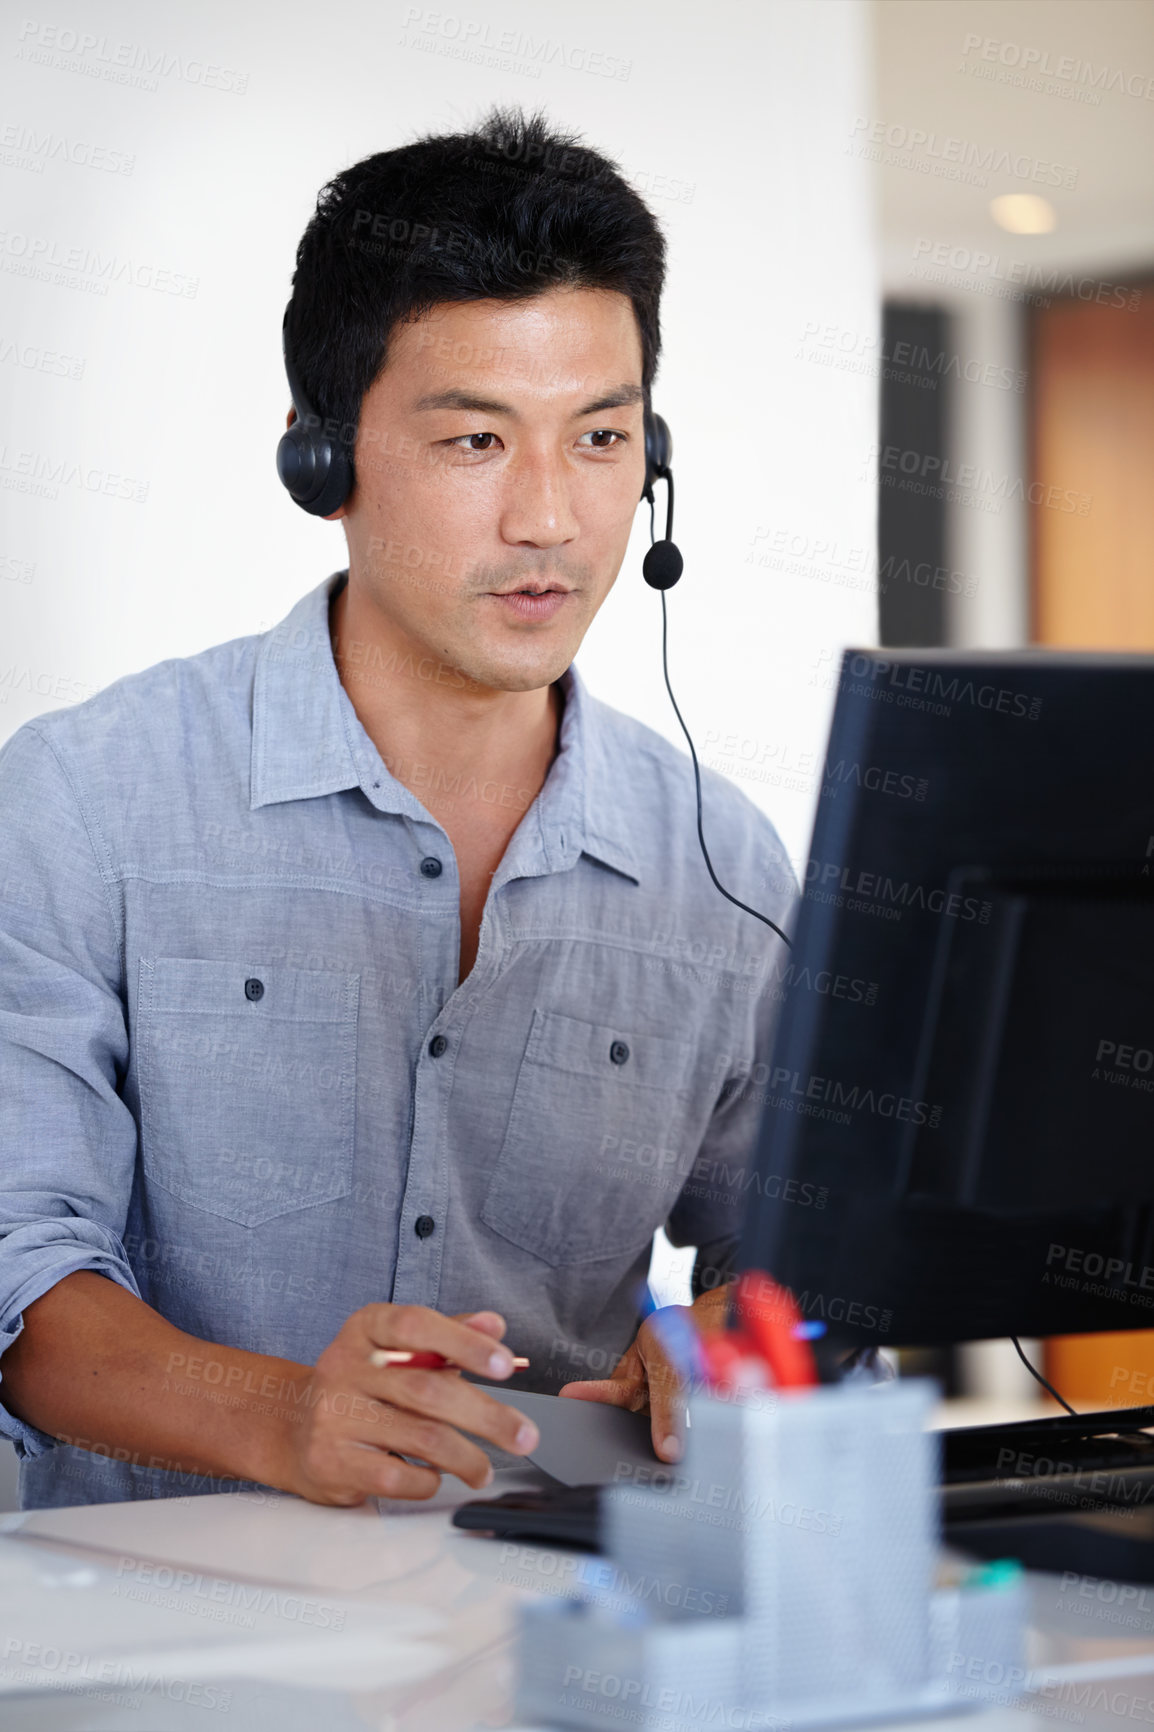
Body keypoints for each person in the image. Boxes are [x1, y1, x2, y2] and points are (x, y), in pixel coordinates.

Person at [0, 106, 795, 1509]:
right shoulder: (83, 798)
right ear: (322, 460)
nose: (550, 517)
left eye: (600, 437)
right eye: (477, 441)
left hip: (547, 1626)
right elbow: (21, 1284)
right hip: (155, 1637)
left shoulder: (720, 865)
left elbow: (785, 1256)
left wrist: (725, 1341)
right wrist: (283, 1414)